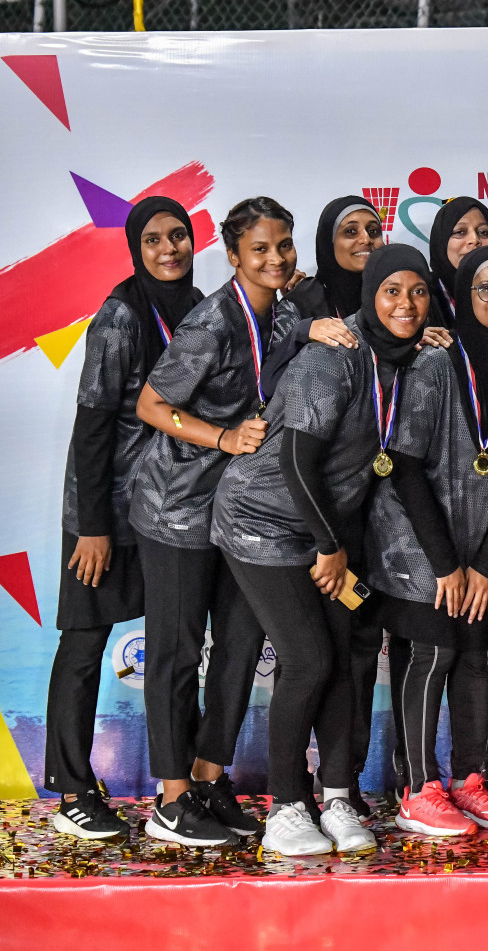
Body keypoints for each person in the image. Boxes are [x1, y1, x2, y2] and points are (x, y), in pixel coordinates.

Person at [212, 246, 435, 855]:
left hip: (330, 526)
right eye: (391, 291)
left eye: (418, 291)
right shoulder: (334, 358)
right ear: (368, 295)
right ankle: (287, 805)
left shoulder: (407, 358)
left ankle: (336, 791)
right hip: (263, 521)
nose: (405, 304)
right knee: (309, 660)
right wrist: (329, 546)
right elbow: (295, 459)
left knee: (344, 657)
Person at [130, 197, 288, 846]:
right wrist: (222, 439)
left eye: (284, 247)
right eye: (261, 250)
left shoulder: (285, 314)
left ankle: (207, 778)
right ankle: (171, 802)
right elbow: (149, 404)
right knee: (175, 651)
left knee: (243, 644)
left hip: (241, 512)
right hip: (176, 510)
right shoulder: (210, 323)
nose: (275, 259)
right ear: (232, 256)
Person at [369, 246, 488, 836]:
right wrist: (445, 563)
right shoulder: (436, 365)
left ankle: (472, 780)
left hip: (476, 544)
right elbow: (404, 464)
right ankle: (418, 789)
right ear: (463, 296)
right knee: (434, 650)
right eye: (485, 288)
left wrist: (486, 564)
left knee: (476, 652)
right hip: (416, 539)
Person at [46, 198, 201, 839]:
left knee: (176, 647)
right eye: (154, 240)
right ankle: (72, 789)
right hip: (106, 513)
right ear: (136, 249)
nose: (169, 249)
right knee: (85, 643)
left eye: (179, 236)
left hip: (168, 511)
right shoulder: (119, 316)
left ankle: (184, 789)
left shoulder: (196, 310)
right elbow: (92, 425)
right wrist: (92, 526)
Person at [425, 197, 488, 329]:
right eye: (460, 232)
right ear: (441, 241)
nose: (475, 240)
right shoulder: (421, 297)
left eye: (484, 232)